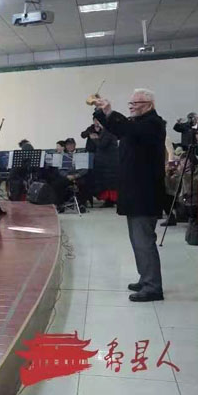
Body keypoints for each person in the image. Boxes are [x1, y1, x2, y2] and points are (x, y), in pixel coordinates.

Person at [93, 89, 166, 302]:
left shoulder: (153, 123)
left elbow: (127, 129)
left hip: (145, 193)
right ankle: (146, 278)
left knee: (144, 241)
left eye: (135, 103)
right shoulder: (137, 124)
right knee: (137, 240)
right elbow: (120, 129)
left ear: (149, 104)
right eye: (130, 103)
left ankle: (153, 287)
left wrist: (109, 112)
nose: (131, 106)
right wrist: (101, 112)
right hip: (135, 192)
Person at [82, 119, 119, 207]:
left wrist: (95, 139)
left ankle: (111, 201)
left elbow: (102, 145)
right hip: (104, 160)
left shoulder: (108, 131)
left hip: (109, 162)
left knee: (109, 182)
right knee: (104, 181)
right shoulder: (95, 129)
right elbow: (83, 135)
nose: (98, 122)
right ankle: (108, 200)